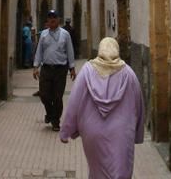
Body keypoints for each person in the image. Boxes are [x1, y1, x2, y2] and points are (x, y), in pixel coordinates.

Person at [59, 37, 144, 179]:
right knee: (121, 170)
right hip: (122, 132)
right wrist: (138, 134)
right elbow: (139, 104)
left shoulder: (87, 71)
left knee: (97, 171)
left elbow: (74, 101)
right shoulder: (128, 74)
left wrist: (66, 131)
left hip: (92, 132)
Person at [33, 10, 76, 131]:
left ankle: (55, 121)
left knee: (57, 96)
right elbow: (39, 51)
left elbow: (70, 51)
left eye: (54, 17)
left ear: (58, 20)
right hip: (46, 69)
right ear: (47, 21)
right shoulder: (43, 35)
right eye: (50, 18)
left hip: (60, 69)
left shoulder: (65, 34)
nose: (52, 20)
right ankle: (50, 113)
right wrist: (36, 67)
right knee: (44, 95)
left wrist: (72, 68)